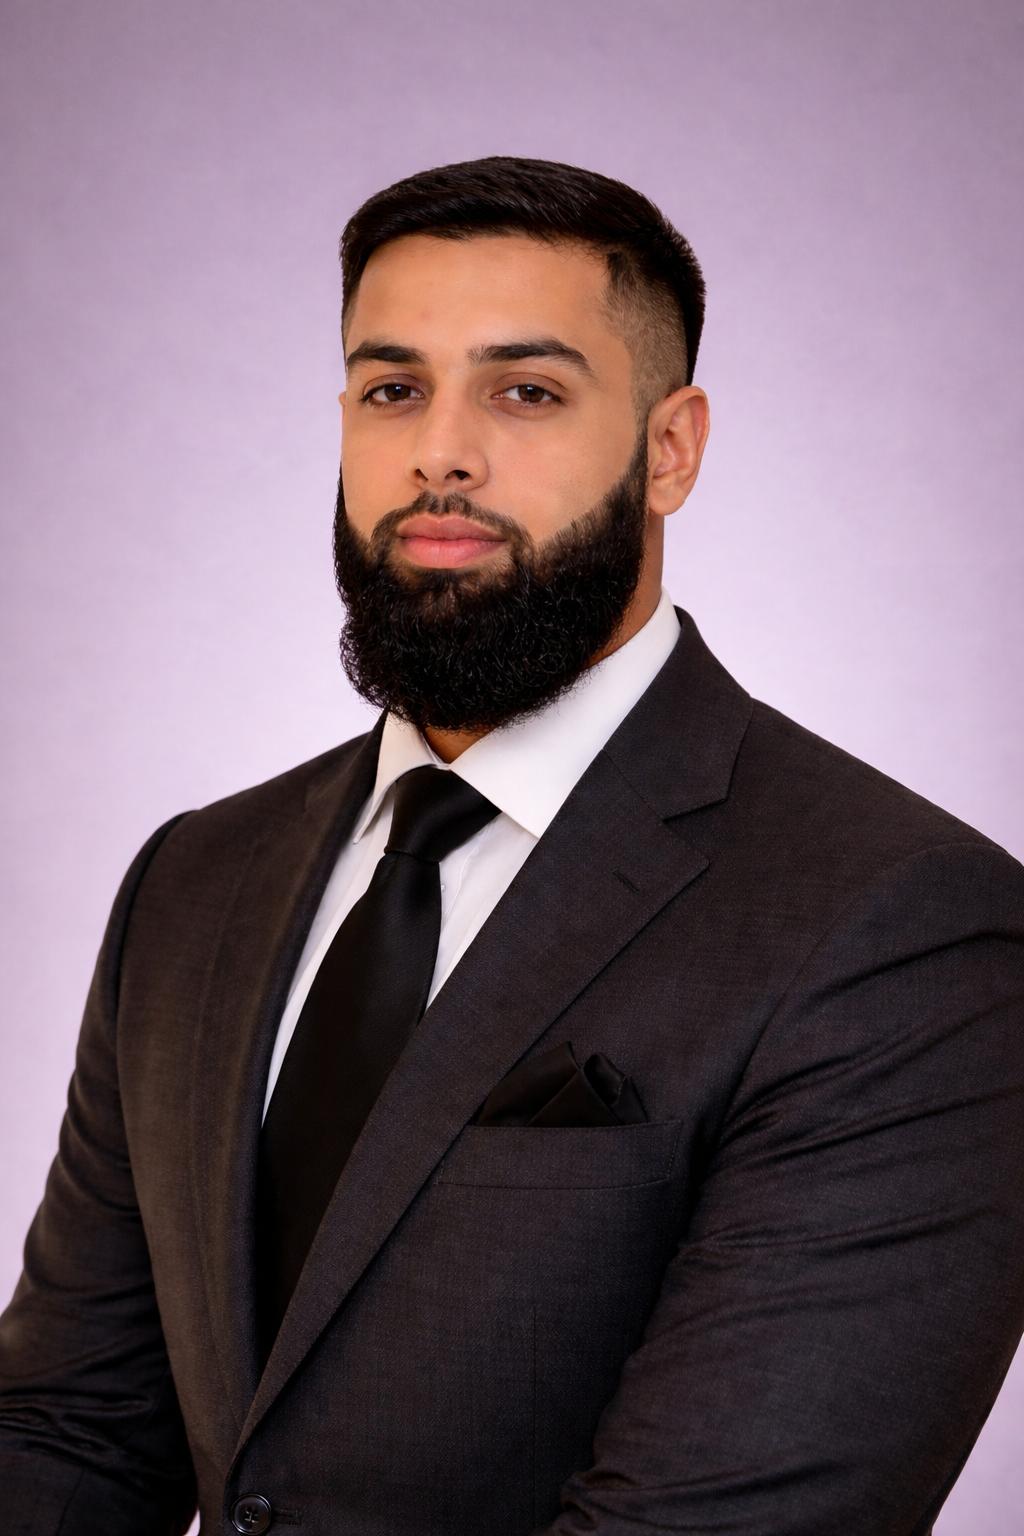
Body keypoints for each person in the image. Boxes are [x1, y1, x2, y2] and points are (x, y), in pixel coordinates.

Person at [1, 155, 1022, 1536]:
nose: (441, 453)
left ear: (672, 448)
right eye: (392, 387)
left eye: (526, 391)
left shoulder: (903, 925)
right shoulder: (194, 882)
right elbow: (70, 1425)